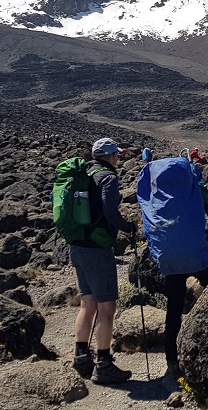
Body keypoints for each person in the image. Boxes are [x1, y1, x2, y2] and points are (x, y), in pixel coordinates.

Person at [137, 157, 208, 379]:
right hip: (197, 250)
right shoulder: (197, 185)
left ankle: (171, 360)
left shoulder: (158, 193)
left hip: (170, 256)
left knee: (174, 306)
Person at [71, 138, 136, 384]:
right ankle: (104, 364)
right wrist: (127, 227)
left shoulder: (83, 174)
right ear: (110, 156)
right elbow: (110, 211)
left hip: (77, 245)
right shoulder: (107, 177)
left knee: (87, 304)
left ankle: (80, 358)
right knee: (107, 308)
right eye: (116, 155)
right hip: (97, 248)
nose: (118, 159)